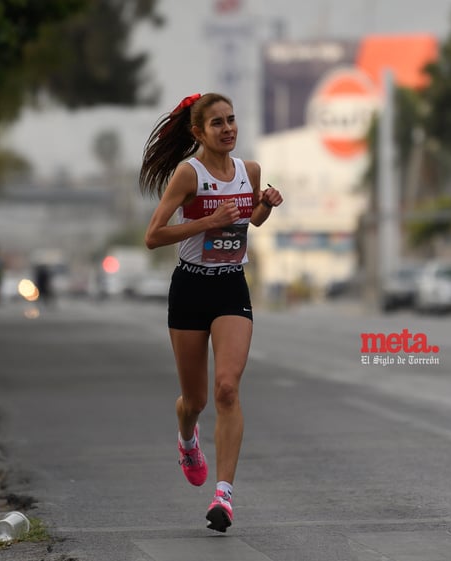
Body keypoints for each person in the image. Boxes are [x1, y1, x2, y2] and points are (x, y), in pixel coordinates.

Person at [139, 92, 283, 532]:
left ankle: (224, 496)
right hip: (190, 288)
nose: (228, 129)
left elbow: (249, 221)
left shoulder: (249, 171)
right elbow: (153, 236)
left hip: (230, 288)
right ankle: (187, 438)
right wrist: (206, 222)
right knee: (196, 400)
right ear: (199, 132)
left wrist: (265, 205)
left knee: (226, 389)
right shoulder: (189, 174)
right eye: (217, 123)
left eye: (232, 120)